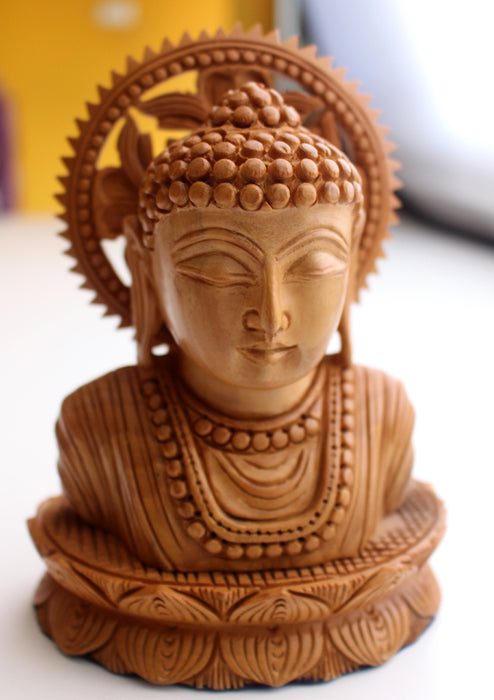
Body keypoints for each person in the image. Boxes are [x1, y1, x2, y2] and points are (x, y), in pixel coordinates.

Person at [54, 83, 414, 572]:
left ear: (351, 265)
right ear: (146, 270)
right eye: (220, 271)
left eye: (313, 268)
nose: (270, 315)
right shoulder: (97, 426)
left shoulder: (383, 415)